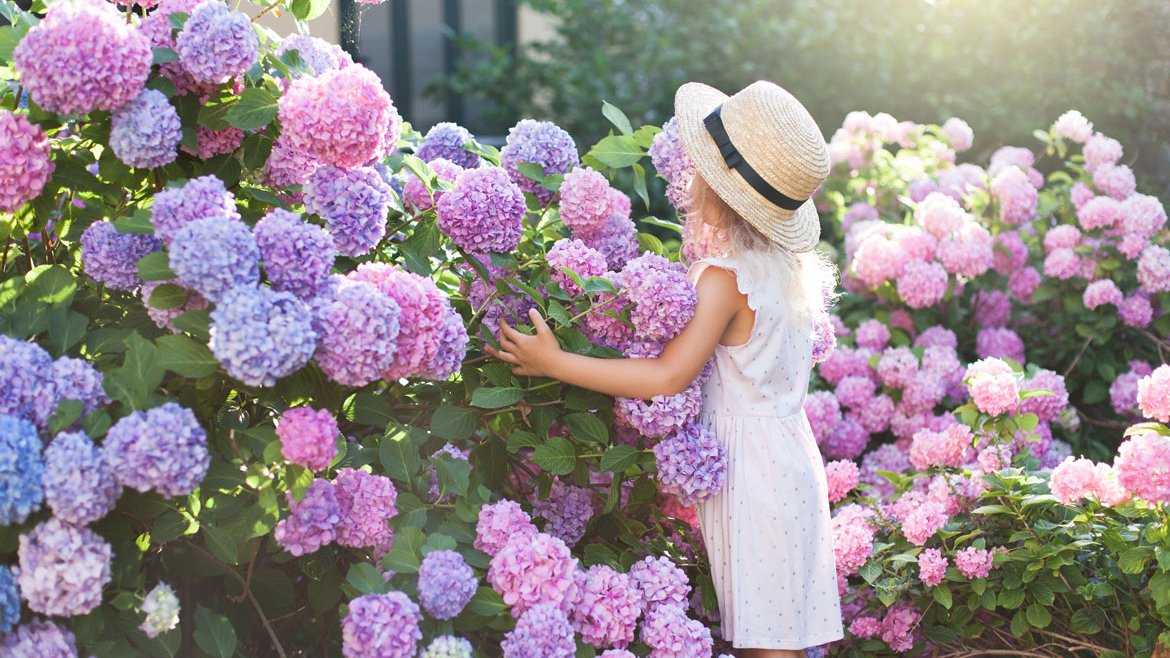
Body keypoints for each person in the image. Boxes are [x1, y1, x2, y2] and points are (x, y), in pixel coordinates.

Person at [486, 80, 846, 657]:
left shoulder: (724, 278)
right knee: (778, 636)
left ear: (714, 186)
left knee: (766, 644)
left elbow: (667, 377)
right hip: (790, 462)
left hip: (754, 478)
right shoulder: (784, 270)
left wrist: (554, 361)